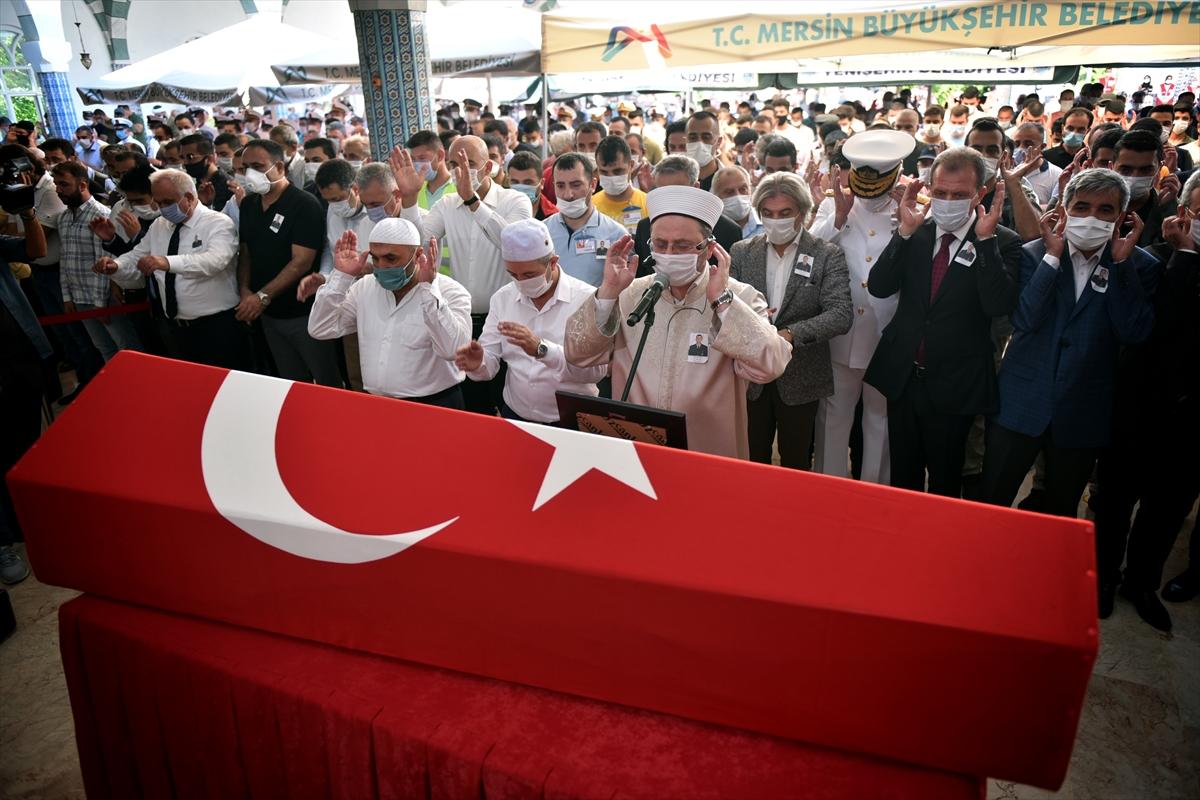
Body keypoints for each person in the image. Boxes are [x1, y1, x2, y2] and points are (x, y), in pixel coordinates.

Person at [564, 185, 792, 459]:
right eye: (660, 244)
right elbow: (578, 354)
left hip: (708, 453)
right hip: (638, 449)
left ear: (709, 249)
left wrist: (722, 303)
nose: (670, 253)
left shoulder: (739, 296)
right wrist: (608, 292)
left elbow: (771, 364)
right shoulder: (631, 294)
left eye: (682, 245)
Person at [980, 168, 1157, 518]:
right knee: (992, 502)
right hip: (1021, 403)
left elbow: (1133, 332)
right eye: (1081, 207)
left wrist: (1121, 265)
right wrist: (1052, 257)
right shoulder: (1033, 255)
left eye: (1105, 210)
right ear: (1064, 210)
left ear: (1121, 217)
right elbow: (1025, 320)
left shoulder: (1138, 265)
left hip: (1082, 410)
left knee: (1061, 510)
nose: (1091, 216)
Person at [865, 148, 1022, 496]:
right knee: (902, 475)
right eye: (940, 193)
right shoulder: (917, 231)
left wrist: (984, 241)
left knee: (945, 477)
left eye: (959, 194)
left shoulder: (1002, 242)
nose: (948, 201)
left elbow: (998, 304)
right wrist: (903, 234)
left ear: (980, 193)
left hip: (956, 385)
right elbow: (879, 286)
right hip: (905, 377)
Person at [1092, 172, 1199, 631]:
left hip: (1192, 420)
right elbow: (1154, 329)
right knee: (1114, 503)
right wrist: (1188, 257)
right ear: (1183, 212)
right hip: (1137, 407)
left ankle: (1141, 583)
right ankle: (1102, 579)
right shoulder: (1153, 259)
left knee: (1167, 509)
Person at [393, 134, 533, 414]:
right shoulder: (447, 205)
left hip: (509, 320)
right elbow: (419, 243)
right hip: (464, 321)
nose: (461, 169)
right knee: (473, 404)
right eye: (455, 163)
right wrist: (409, 201)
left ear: (488, 166)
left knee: (512, 401)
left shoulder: (514, 200)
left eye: (469, 162)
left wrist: (473, 202)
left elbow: (514, 243)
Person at [809, 129, 914, 483]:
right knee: (834, 418)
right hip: (842, 332)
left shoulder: (914, 209)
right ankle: (828, 487)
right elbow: (809, 254)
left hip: (887, 334)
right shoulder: (831, 204)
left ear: (897, 174)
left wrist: (905, 221)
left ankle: (875, 490)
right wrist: (838, 217)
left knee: (879, 419)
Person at [730, 172, 851, 469]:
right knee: (750, 457)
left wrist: (788, 335)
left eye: (785, 213)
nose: (776, 220)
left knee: (796, 460)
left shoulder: (826, 254)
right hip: (750, 376)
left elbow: (840, 314)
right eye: (768, 214)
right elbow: (726, 307)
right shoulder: (742, 252)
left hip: (802, 374)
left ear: (802, 212)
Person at [454, 218, 607, 423]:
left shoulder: (586, 300)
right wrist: (477, 364)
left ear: (553, 262)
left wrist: (542, 350)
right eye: (513, 274)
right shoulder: (503, 298)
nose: (521, 282)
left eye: (529, 274)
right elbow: (489, 362)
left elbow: (596, 372)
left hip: (573, 420)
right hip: (516, 414)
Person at [94, 168, 248, 370]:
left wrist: (167, 263)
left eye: (167, 202)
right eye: (157, 202)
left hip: (217, 327)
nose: (162, 208)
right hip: (175, 327)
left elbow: (215, 261)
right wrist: (117, 265)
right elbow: (138, 255)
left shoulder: (217, 223)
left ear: (190, 197)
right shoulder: (160, 224)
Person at [309, 219, 471, 407]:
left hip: (435, 405)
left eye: (391, 258)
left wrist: (428, 291)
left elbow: (452, 350)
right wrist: (342, 277)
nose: (382, 265)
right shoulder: (365, 287)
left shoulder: (450, 292)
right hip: (378, 405)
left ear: (418, 255)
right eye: (375, 258)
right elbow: (320, 328)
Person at [236, 138, 339, 386]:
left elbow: (301, 262)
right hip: (267, 314)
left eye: (258, 166)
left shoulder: (303, 204)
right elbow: (246, 252)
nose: (250, 174)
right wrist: (245, 291)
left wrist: (261, 296)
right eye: (244, 167)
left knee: (326, 379)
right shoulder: (249, 204)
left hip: (302, 312)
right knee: (291, 381)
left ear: (279, 168)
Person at [0, 194, 49, 585]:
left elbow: (35, 251)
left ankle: (27, 521)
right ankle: (3, 540)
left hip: (18, 359)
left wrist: (28, 212)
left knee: (24, 445)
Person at [51, 160, 142, 360]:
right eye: (56, 184)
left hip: (104, 298)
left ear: (82, 185)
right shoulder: (63, 218)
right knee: (104, 349)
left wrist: (100, 304)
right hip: (80, 297)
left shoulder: (101, 215)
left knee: (127, 350)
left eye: (64, 184)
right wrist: (67, 297)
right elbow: (65, 260)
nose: (58, 190)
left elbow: (105, 262)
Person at [632, 156, 742, 273]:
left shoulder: (728, 230)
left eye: (677, 192)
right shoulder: (644, 227)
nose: (670, 198)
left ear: (696, 187)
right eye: (662, 192)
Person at [544, 152, 628, 288]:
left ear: (593, 185)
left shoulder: (616, 234)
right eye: (560, 186)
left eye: (576, 185)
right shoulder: (542, 231)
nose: (568, 194)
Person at [592, 135, 649, 234]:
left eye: (617, 171)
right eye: (604, 172)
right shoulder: (590, 206)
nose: (611, 177)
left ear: (631, 165)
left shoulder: (648, 204)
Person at [179, 133, 233, 212]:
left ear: (209, 159)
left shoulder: (228, 186)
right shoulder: (195, 183)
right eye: (182, 157)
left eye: (190, 157)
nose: (185, 163)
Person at [1011, 123, 1061, 207]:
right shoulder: (1006, 172)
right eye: (1016, 144)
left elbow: (1054, 210)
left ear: (1042, 147)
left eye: (1028, 144)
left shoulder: (1057, 175)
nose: (1020, 148)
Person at [710, 165, 761, 239]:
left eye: (743, 189)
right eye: (729, 192)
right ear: (717, 197)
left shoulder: (767, 224)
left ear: (750, 189)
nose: (738, 196)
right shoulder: (710, 232)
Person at [507, 150, 555, 220]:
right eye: (515, 182)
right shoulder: (498, 209)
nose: (521, 187)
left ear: (542, 183)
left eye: (528, 182)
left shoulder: (553, 216)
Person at [685, 111, 723, 191]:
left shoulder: (731, 180)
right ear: (686, 141)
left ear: (719, 142)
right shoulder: (675, 180)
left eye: (706, 137)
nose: (699, 143)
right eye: (693, 137)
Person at [269, 123, 306, 189]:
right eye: (271, 147)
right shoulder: (272, 167)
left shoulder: (304, 168)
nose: (273, 152)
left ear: (293, 147)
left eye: (278, 148)